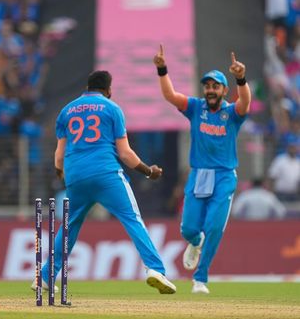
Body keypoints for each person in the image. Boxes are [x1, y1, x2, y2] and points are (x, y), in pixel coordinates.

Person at [31, 70, 177, 294]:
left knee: (69, 227)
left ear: (87, 88)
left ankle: (46, 276)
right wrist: (149, 172)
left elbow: (59, 155)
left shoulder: (67, 111)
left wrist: (62, 174)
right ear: (108, 90)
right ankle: (155, 269)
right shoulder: (112, 109)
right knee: (132, 219)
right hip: (106, 174)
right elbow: (126, 154)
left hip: (75, 177)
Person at [153, 45, 251, 294]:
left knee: (214, 226)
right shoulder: (196, 107)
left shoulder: (232, 113)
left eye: (215, 86)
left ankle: (201, 278)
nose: (210, 90)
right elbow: (170, 95)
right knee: (188, 229)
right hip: (199, 175)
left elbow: (246, 102)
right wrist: (162, 69)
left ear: (224, 90)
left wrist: (241, 77)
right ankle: (196, 242)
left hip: (224, 176)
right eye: (207, 86)